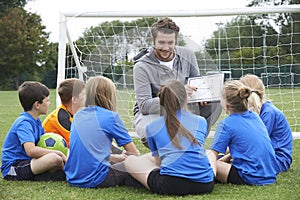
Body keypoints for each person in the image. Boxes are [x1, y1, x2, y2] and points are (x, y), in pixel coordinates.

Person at [133, 17, 222, 145]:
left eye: (170, 43)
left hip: (184, 106)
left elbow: (196, 82)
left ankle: (195, 144)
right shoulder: (141, 66)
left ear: (175, 40)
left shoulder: (188, 55)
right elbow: (145, 106)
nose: (166, 47)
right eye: (161, 42)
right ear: (152, 41)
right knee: (150, 131)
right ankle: (164, 155)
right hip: (156, 111)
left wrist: (202, 96)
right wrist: (175, 94)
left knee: (215, 102)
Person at [125, 80, 216, 196]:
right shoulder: (201, 121)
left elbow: (158, 163)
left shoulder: (152, 127)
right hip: (205, 184)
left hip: (171, 185)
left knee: (130, 160)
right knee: (209, 153)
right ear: (186, 99)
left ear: (160, 101)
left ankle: (139, 179)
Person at [64, 76, 141, 188]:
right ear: (110, 96)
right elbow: (134, 153)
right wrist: (128, 158)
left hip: (73, 177)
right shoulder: (111, 117)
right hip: (97, 178)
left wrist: (117, 158)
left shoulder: (77, 115)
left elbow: (91, 152)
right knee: (138, 163)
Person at [210, 80, 278, 185]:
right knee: (219, 160)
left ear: (226, 105)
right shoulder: (255, 116)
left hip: (250, 176)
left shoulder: (226, 124)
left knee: (205, 158)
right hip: (270, 174)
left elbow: (213, 154)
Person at [1, 81, 67, 181]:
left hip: (28, 162)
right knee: (55, 158)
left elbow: (42, 144)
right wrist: (59, 153)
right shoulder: (24, 123)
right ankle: (64, 174)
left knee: (65, 153)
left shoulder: (36, 121)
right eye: (47, 100)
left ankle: (61, 174)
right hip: (13, 168)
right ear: (37, 105)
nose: (49, 103)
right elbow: (31, 151)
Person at [240, 74, 293, 173]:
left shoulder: (268, 112)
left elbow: (255, 143)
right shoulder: (257, 110)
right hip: (264, 156)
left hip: (278, 160)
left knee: (230, 165)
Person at [42, 78, 85, 147]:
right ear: (74, 99)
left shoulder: (72, 114)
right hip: (52, 154)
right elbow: (78, 143)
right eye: (84, 94)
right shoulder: (62, 118)